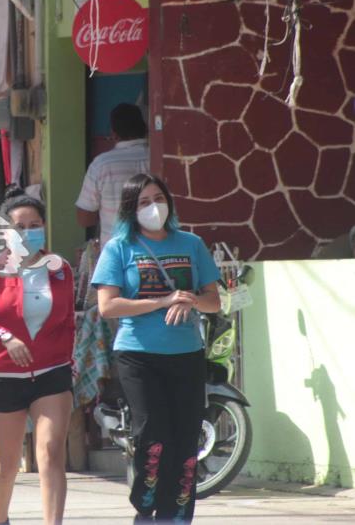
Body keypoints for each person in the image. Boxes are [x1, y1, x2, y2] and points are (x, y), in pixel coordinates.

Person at [92, 173, 221, 523]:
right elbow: (108, 306)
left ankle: (176, 514)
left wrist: (191, 299)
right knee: (153, 432)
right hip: (138, 354)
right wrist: (161, 301)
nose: (154, 207)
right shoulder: (119, 248)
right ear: (131, 210)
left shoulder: (191, 243)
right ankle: (145, 503)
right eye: (145, 202)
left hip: (186, 353)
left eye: (159, 199)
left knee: (185, 438)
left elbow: (214, 301)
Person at [0, 186, 76, 525]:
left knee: (51, 453)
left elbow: (69, 321)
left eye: (34, 224)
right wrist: (6, 338)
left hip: (52, 374)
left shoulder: (61, 269)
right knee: (7, 464)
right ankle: (0, 520)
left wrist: (68, 364)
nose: (27, 231)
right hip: (2, 376)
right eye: (19, 225)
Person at [76, 103, 150, 247]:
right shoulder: (161, 158)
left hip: (117, 251)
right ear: (145, 129)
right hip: (157, 250)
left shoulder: (101, 164)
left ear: (114, 133)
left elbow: (84, 219)